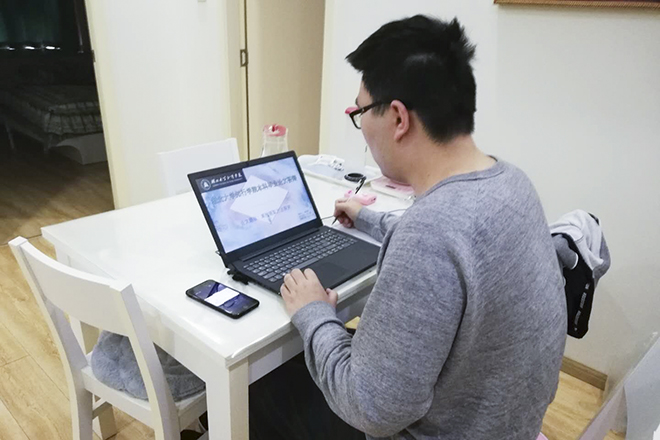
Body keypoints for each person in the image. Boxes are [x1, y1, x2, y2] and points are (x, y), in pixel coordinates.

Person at [253, 15, 567, 440]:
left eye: (361, 111)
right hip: (502, 422)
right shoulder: (511, 182)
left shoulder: (430, 234)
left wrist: (313, 311)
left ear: (399, 118)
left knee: (260, 386)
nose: (361, 125)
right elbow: (457, 241)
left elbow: (370, 408)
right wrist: (368, 217)